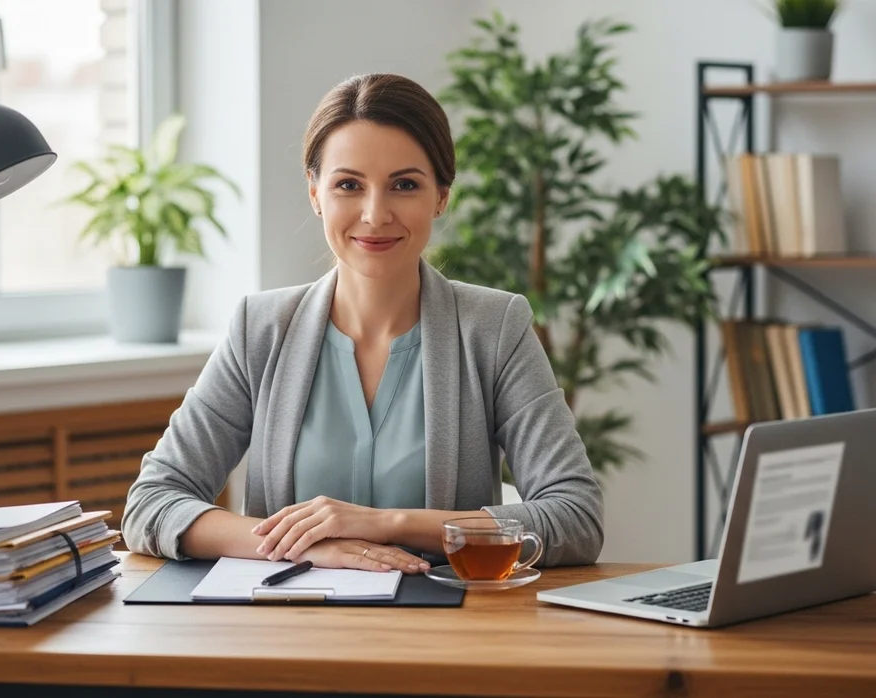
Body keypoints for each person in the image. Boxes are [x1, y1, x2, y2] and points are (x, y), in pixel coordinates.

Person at [123, 73, 603, 574]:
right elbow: (151, 503)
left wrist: (387, 523)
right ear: (315, 193)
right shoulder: (260, 330)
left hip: (443, 634)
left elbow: (575, 518)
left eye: (404, 185)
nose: (375, 215)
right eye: (349, 185)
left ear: (441, 196)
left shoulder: (494, 328)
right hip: (286, 632)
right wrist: (302, 545)